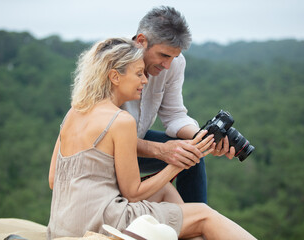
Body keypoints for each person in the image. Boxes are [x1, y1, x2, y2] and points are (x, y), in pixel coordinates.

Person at [47, 37, 256, 239]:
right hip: (102, 223)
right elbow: (133, 194)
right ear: (115, 76)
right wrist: (178, 164)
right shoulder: (121, 120)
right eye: (139, 74)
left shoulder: (74, 112)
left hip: (63, 224)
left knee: (165, 191)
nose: (145, 80)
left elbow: (53, 180)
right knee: (204, 215)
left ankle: (187, 227)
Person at [121, 6, 235, 204]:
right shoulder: (112, 63)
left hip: (137, 141)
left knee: (192, 153)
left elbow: (174, 115)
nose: (167, 65)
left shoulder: (174, 63)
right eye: (164, 55)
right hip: (105, 150)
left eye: (173, 57)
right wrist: (160, 150)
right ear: (141, 41)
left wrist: (205, 138)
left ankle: (196, 222)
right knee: (183, 153)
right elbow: (105, 137)